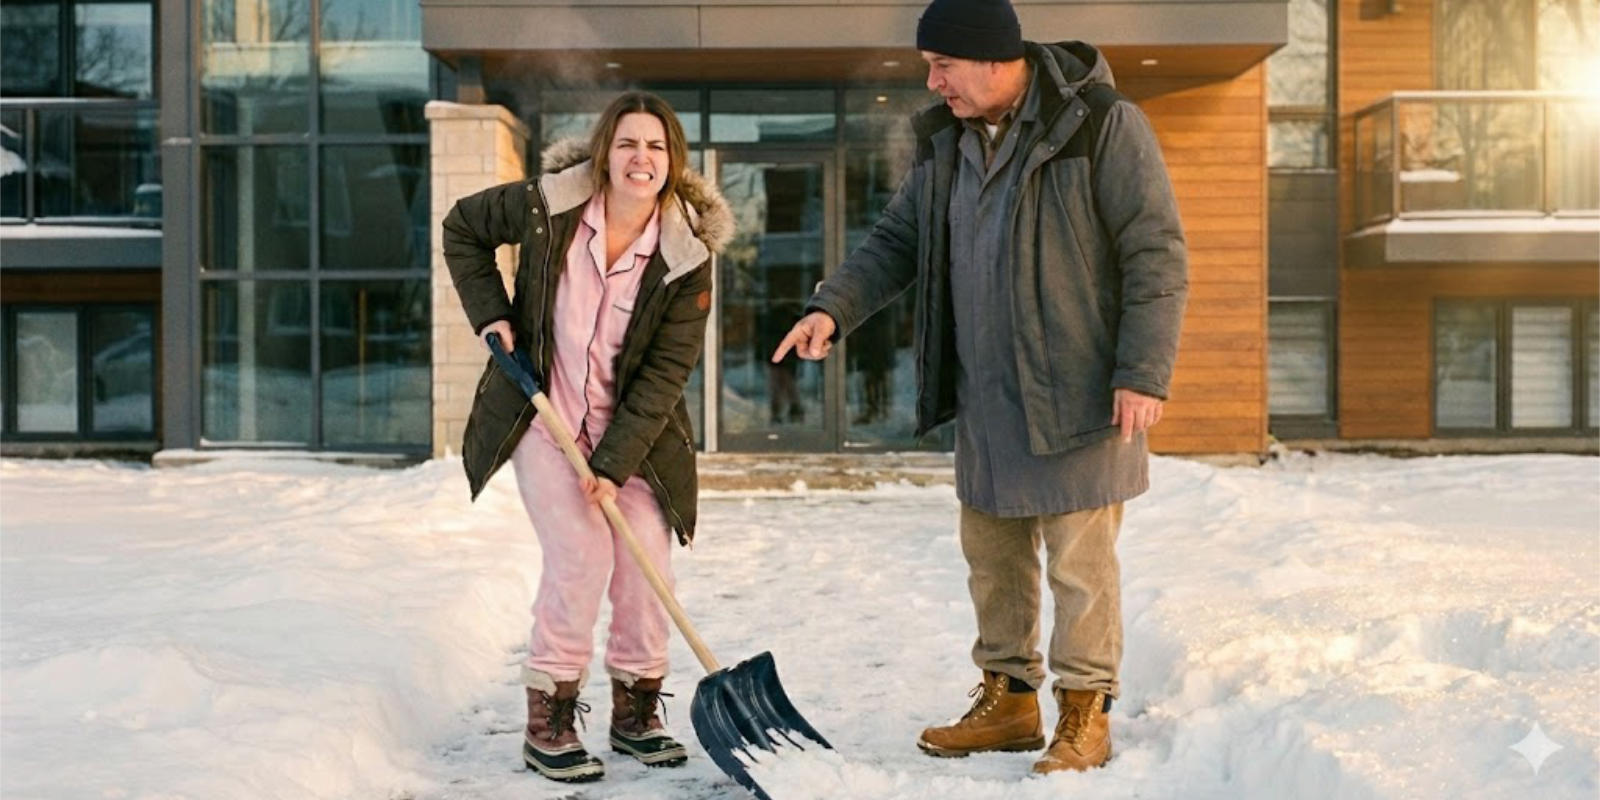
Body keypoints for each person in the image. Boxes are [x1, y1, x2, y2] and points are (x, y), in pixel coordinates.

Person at [771, 0, 1188, 776]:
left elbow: (1154, 251)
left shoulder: (1100, 124)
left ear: (995, 60)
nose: (933, 82)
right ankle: (1010, 700)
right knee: (993, 560)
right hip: (987, 397)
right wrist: (834, 308)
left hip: (1081, 395)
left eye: (944, 66)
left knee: (1079, 570)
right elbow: (897, 240)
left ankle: (1084, 712)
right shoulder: (946, 143)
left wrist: (1142, 370)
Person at [442, 91, 731, 784]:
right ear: (606, 152)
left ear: (674, 161)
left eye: (657, 147)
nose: (642, 158)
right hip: (543, 418)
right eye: (628, 144)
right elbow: (462, 228)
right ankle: (551, 712)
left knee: (646, 563)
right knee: (581, 552)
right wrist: (492, 315)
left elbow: (665, 374)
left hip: (636, 435)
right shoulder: (550, 208)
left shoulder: (686, 256)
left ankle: (636, 709)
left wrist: (611, 465)